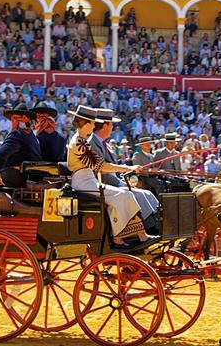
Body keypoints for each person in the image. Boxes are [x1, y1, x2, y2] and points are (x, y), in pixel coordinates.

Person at [65, 105, 155, 248]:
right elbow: (101, 166)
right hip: (83, 183)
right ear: (87, 123)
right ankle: (124, 237)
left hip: (89, 181)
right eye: (93, 123)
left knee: (126, 194)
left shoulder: (81, 140)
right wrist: (129, 167)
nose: (95, 125)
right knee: (123, 195)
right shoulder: (78, 143)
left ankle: (132, 236)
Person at [92, 108, 159, 227]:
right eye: (112, 125)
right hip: (102, 184)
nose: (112, 128)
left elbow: (113, 171)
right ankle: (150, 227)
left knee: (147, 194)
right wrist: (123, 180)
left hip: (114, 181)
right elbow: (102, 169)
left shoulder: (105, 144)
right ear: (105, 126)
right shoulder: (92, 143)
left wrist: (122, 181)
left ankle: (158, 221)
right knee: (138, 195)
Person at [0, 103, 41, 187]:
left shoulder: (17, 135)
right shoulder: (32, 136)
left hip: (15, 179)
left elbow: (0, 155)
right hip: (29, 178)